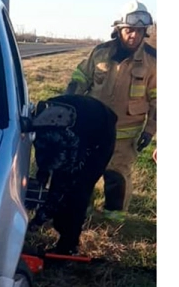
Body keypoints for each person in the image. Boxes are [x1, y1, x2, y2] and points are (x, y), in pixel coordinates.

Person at [65, 0, 157, 222]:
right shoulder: (100, 53)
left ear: (145, 32)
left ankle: (114, 219)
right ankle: (82, 210)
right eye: (129, 30)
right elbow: (81, 78)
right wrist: (68, 104)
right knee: (84, 169)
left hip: (124, 135)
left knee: (117, 175)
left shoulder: (153, 61)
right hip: (92, 129)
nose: (134, 35)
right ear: (119, 29)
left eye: (139, 31)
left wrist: (150, 131)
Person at [27, 94, 118, 255]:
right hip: (80, 119)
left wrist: (38, 220)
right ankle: (62, 226)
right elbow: (44, 151)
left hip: (102, 129)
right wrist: (43, 171)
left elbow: (61, 186)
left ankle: (68, 245)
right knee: (61, 177)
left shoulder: (72, 145)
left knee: (78, 189)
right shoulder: (39, 127)